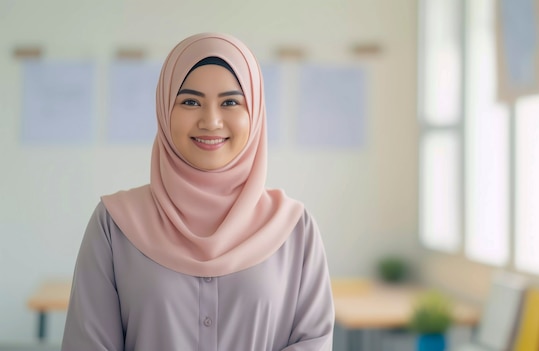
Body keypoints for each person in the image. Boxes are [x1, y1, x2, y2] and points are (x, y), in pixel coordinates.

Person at [61, 33, 335, 351]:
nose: (211, 120)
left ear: (256, 113)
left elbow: (313, 342)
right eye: (190, 101)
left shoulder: (293, 227)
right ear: (165, 110)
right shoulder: (115, 224)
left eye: (230, 102)